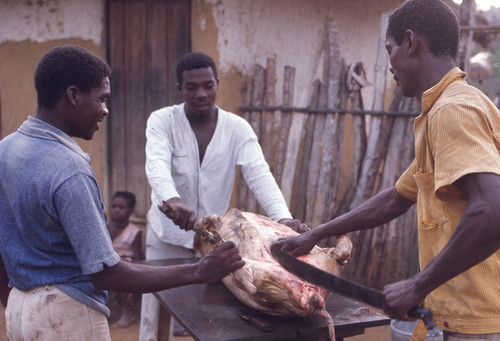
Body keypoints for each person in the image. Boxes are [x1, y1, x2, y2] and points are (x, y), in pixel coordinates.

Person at [274, 0, 500, 340]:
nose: (390, 64)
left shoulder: (452, 111)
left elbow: (493, 210)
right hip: (461, 315)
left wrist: (417, 284)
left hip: (479, 323)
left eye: (389, 50)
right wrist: (318, 233)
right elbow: (395, 198)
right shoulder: (450, 106)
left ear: (410, 43)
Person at [0, 45, 244, 341]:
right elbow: (107, 272)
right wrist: (199, 272)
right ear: (74, 96)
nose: (105, 109)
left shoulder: (6, 150)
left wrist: (19, 305)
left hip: (18, 308)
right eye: (102, 99)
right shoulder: (70, 169)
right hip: (66, 315)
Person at [141, 51, 308, 340]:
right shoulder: (162, 120)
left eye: (208, 85)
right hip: (166, 237)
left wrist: (283, 218)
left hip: (213, 241)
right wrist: (172, 198)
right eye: (191, 87)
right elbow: (155, 164)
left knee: (212, 317)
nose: (201, 93)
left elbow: (259, 174)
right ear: (180, 89)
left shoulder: (237, 128)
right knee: (155, 314)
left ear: (217, 83)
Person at [107, 191, 142, 328]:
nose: (116, 210)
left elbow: (137, 258)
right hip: (109, 263)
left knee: (123, 278)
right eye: (114, 206)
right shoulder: (106, 228)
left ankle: (127, 313)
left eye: (121, 207)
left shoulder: (135, 231)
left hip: (126, 265)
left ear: (131, 210)